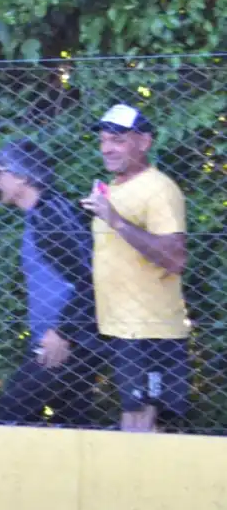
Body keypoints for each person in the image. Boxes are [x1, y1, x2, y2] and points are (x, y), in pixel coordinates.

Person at [80, 105, 191, 433]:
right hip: (123, 328)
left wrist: (114, 219)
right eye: (102, 140)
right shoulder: (113, 190)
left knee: (140, 424)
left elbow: (175, 259)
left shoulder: (159, 189)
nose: (106, 148)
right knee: (137, 422)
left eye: (117, 140)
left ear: (145, 142)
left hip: (150, 330)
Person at [0, 139, 105, 426]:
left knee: (11, 414)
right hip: (62, 338)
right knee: (74, 425)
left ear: (22, 178)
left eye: (0, 172)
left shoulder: (51, 216)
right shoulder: (43, 214)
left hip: (69, 341)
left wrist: (63, 333)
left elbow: (91, 278)